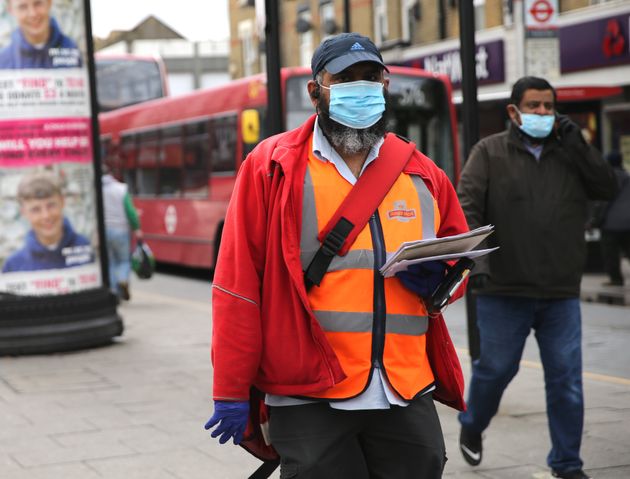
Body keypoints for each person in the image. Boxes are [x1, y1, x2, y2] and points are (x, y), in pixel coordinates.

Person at [204, 32, 470, 478]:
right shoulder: (273, 167)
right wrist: (230, 387)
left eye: (371, 77)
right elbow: (237, 287)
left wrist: (443, 279)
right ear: (316, 91)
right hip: (309, 391)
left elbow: (461, 261)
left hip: (402, 388)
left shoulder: (423, 173)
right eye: (345, 78)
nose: (362, 88)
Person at [456, 76, 617, 479]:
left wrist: (578, 144)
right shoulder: (488, 152)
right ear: (514, 111)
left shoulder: (571, 153)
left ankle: (567, 463)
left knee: (566, 381)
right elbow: (467, 208)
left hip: (560, 291)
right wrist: (477, 266)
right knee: (495, 370)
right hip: (503, 290)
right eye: (534, 106)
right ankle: (472, 425)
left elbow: (607, 186)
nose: (543, 113)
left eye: (549, 106)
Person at [2, 170, 92, 273]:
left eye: (51, 205)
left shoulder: (87, 249)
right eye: (36, 209)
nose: (46, 216)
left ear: (62, 202)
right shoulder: (13, 265)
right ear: (24, 212)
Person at [0, 0, 82, 69]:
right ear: (11, 10)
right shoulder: (3, 61)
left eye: (38, 3)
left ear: (49, 3)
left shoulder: (72, 51)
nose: (33, 14)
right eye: (23, 7)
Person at [102, 167, 142, 301]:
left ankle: (114, 290)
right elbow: (130, 211)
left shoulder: (97, 189)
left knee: (111, 261)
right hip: (121, 230)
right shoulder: (121, 188)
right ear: (111, 174)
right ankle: (123, 279)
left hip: (104, 231)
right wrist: (136, 228)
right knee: (124, 260)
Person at [599, 151, 630, 286]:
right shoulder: (627, 176)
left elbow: (604, 201)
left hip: (611, 223)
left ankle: (616, 279)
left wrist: (596, 220)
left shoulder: (608, 178)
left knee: (610, 253)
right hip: (628, 222)